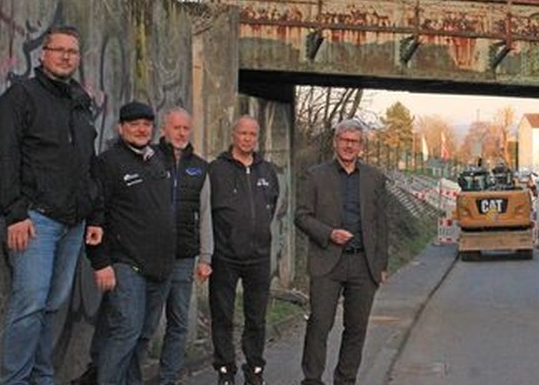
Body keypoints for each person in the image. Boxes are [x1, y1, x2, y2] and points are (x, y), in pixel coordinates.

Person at [0, 25, 103, 385]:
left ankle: (42, 377)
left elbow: (88, 163)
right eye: (59, 50)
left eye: (73, 51)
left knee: (53, 307)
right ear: (43, 54)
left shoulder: (80, 102)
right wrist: (15, 213)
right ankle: (15, 381)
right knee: (30, 305)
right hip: (36, 220)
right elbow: (2, 155)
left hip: (73, 223)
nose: (66, 56)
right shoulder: (21, 96)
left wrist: (94, 215)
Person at [87, 101, 175, 385]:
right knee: (125, 331)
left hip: (160, 266)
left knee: (142, 337)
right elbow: (95, 215)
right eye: (134, 124)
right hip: (126, 264)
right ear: (120, 128)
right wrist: (101, 262)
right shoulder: (108, 163)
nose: (141, 129)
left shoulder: (158, 160)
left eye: (146, 124)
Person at [295, 119, 389, 385]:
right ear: (336, 142)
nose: (349, 146)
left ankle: (345, 380)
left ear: (361, 146)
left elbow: (381, 223)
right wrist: (328, 233)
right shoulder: (316, 175)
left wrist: (381, 264)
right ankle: (312, 379)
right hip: (327, 263)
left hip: (364, 263)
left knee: (356, 328)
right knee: (319, 324)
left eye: (354, 142)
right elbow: (301, 216)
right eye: (344, 140)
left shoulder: (374, 178)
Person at [199, 115, 280, 385]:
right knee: (222, 316)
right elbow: (205, 212)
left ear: (257, 138)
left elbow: (275, 207)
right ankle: (225, 370)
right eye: (242, 133)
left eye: (252, 134)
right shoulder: (215, 169)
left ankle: (254, 369)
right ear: (233, 134)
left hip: (258, 256)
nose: (247, 138)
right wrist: (206, 255)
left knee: (256, 318)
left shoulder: (267, 171)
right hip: (225, 256)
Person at [150, 107, 208, 385]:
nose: (181, 133)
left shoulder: (199, 166)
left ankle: (168, 378)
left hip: (184, 255)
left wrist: (205, 255)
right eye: (176, 128)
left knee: (179, 322)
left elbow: (206, 213)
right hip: (150, 254)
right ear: (164, 129)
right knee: (145, 322)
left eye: (186, 128)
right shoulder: (148, 159)